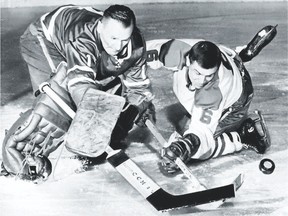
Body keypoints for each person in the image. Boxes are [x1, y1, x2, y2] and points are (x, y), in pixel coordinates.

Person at [1, 4, 155, 181]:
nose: (118, 46)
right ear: (99, 26)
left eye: (124, 39)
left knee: (113, 102)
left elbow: (138, 87)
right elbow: (80, 86)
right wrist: (95, 119)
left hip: (83, 50)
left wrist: (141, 106)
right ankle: (13, 154)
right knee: (59, 98)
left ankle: (100, 142)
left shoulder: (135, 42)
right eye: (113, 38)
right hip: (45, 40)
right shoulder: (82, 37)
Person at [145, 36, 273, 175]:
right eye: (197, 73)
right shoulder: (175, 51)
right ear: (188, 60)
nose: (201, 81)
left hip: (236, 101)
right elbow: (137, 54)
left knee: (197, 151)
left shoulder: (214, 92)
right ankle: (238, 55)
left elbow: (201, 133)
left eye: (209, 76)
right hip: (227, 59)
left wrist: (186, 145)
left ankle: (242, 136)